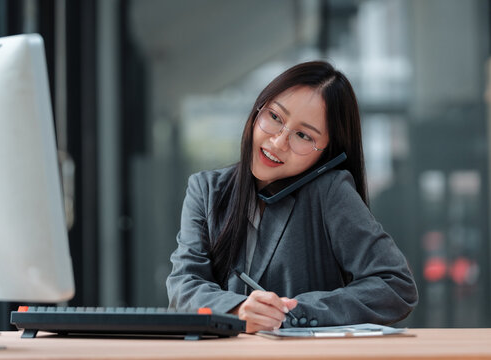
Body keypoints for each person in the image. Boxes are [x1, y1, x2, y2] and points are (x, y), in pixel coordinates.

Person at [166, 61, 418, 333]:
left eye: (302, 135)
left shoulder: (330, 192)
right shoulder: (206, 190)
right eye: (274, 117)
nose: (277, 143)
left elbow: (395, 285)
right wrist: (238, 310)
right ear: (258, 109)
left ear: (327, 152)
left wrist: (291, 312)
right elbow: (184, 286)